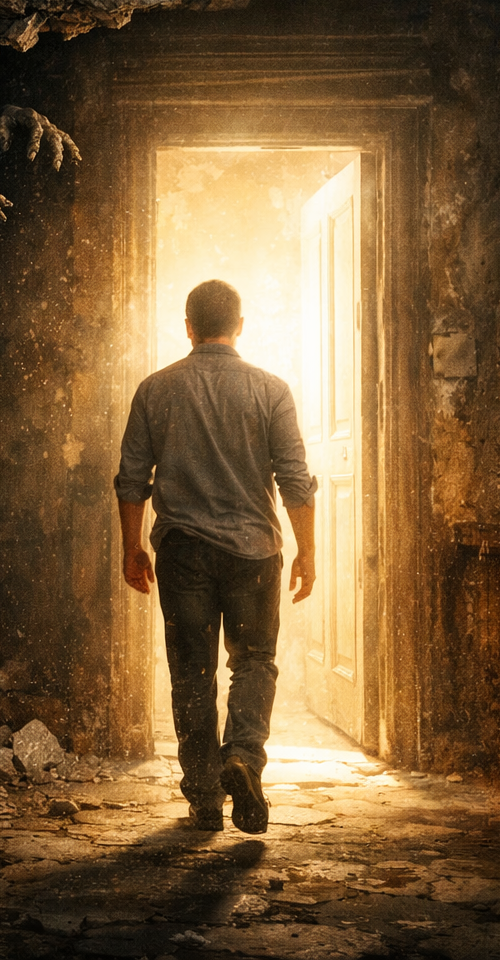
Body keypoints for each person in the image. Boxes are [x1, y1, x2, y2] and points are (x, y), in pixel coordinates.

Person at [114, 280, 316, 835]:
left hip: (183, 555)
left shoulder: (156, 390)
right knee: (253, 662)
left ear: (187, 327)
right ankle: (244, 759)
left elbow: (132, 482)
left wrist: (132, 548)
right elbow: (296, 481)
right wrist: (307, 551)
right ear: (241, 326)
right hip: (253, 552)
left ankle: (204, 797)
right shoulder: (270, 390)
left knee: (192, 673)